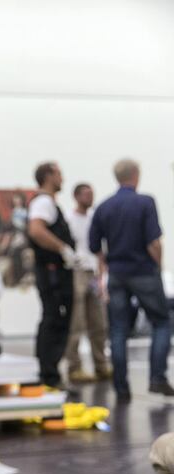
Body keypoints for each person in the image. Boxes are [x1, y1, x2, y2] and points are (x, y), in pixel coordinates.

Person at [89, 159, 174, 400]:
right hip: (143, 271)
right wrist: (158, 266)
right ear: (136, 175)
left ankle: (121, 386)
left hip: (117, 273)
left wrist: (108, 264)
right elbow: (153, 242)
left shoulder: (104, 207)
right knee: (161, 321)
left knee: (118, 329)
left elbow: (94, 244)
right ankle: (157, 377)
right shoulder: (144, 202)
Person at [27, 162, 77, 388]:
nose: (62, 178)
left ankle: (50, 372)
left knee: (55, 319)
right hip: (52, 272)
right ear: (48, 176)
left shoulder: (49, 204)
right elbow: (36, 230)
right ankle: (49, 375)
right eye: (59, 174)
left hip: (57, 272)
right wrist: (62, 248)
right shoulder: (43, 203)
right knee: (54, 319)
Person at [64, 183, 111, 383]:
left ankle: (101, 365)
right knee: (77, 322)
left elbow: (101, 248)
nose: (90, 197)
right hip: (76, 271)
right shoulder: (69, 219)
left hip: (94, 272)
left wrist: (102, 275)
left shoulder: (95, 218)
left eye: (92, 193)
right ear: (76, 196)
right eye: (86, 194)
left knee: (99, 322)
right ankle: (74, 367)